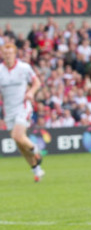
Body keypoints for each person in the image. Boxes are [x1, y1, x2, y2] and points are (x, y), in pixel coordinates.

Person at [0, 42, 45, 182]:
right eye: (5, 54)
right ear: (2, 54)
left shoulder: (24, 68)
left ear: (15, 54)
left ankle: (36, 150)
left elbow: (36, 83)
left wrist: (31, 92)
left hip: (22, 107)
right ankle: (37, 170)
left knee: (17, 135)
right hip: (9, 110)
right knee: (19, 143)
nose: (7, 56)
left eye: (10, 53)